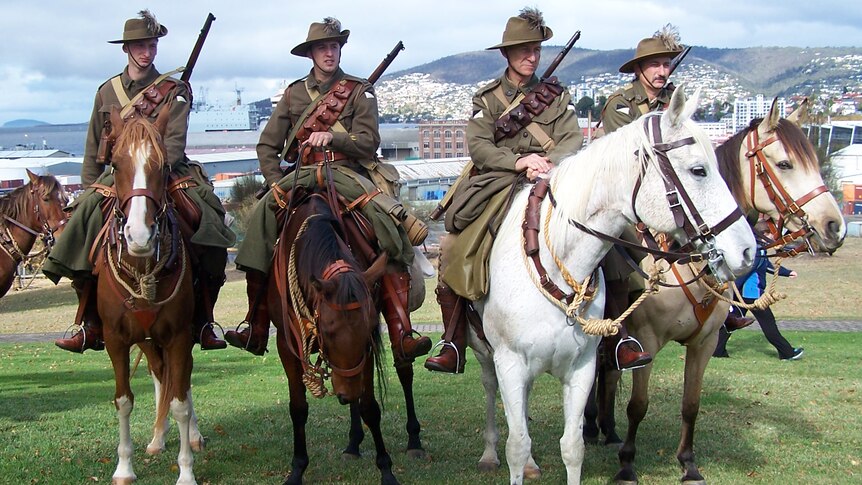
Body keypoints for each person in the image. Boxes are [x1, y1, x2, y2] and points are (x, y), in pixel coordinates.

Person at [226, 17, 432, 363]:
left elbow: (368, 143)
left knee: (387, 225)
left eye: (334, 46)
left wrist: (334, 137)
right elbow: (267, 146)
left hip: (347, 174)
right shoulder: (293, 94)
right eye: (323, 47)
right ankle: (255, 323)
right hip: (303, 175)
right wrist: (276, 182)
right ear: (311, 54)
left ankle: (402, 331)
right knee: (262, 219)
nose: (329, 53)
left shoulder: (359, 90)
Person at [46, 10, 236, 353]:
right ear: (126, 49)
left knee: (209, 218)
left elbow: (174, 143)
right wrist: (92, 187)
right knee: (80, 227)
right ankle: (88, 321)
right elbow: (93, 148)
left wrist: (153, 166)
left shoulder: (174, 90)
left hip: (166, 170)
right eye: (139, 45)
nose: (146, 51)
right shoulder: (106, 92)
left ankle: (205, 318)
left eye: (151, 44)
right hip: (116, 176)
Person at [424, 7, 583, 373]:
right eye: (524, 49)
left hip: (552, 177)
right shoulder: (489, 98)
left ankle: (617, 336)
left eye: (537, 49)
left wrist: (548, 162)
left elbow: (571, 137)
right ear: (506, 54)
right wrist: (519, 162)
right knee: (451, 245)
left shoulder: (556, 96)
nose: (532, 56)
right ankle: (453, 340)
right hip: (500, 180)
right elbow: (479, 146)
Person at [595, 26, 687, 370]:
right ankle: (620, 338)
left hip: (669, 191)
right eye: (655, 65)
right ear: (639, 69)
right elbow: (630, 154)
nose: (662, 71)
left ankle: (725, 310)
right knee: (618, 252)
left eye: (666, 64)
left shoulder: (673, 101)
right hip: (625, 193)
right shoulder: (621, 104)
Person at [713, 248, 803, 360]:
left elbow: (767, 266)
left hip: (742, 294)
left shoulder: (758, 250)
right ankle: (787, 353)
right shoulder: (757, 251)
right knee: (769, 324)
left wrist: (787, 272)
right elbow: (745, 273)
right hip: (752, 295)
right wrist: (732, 292)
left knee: (731, 323)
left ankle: (717, 351)